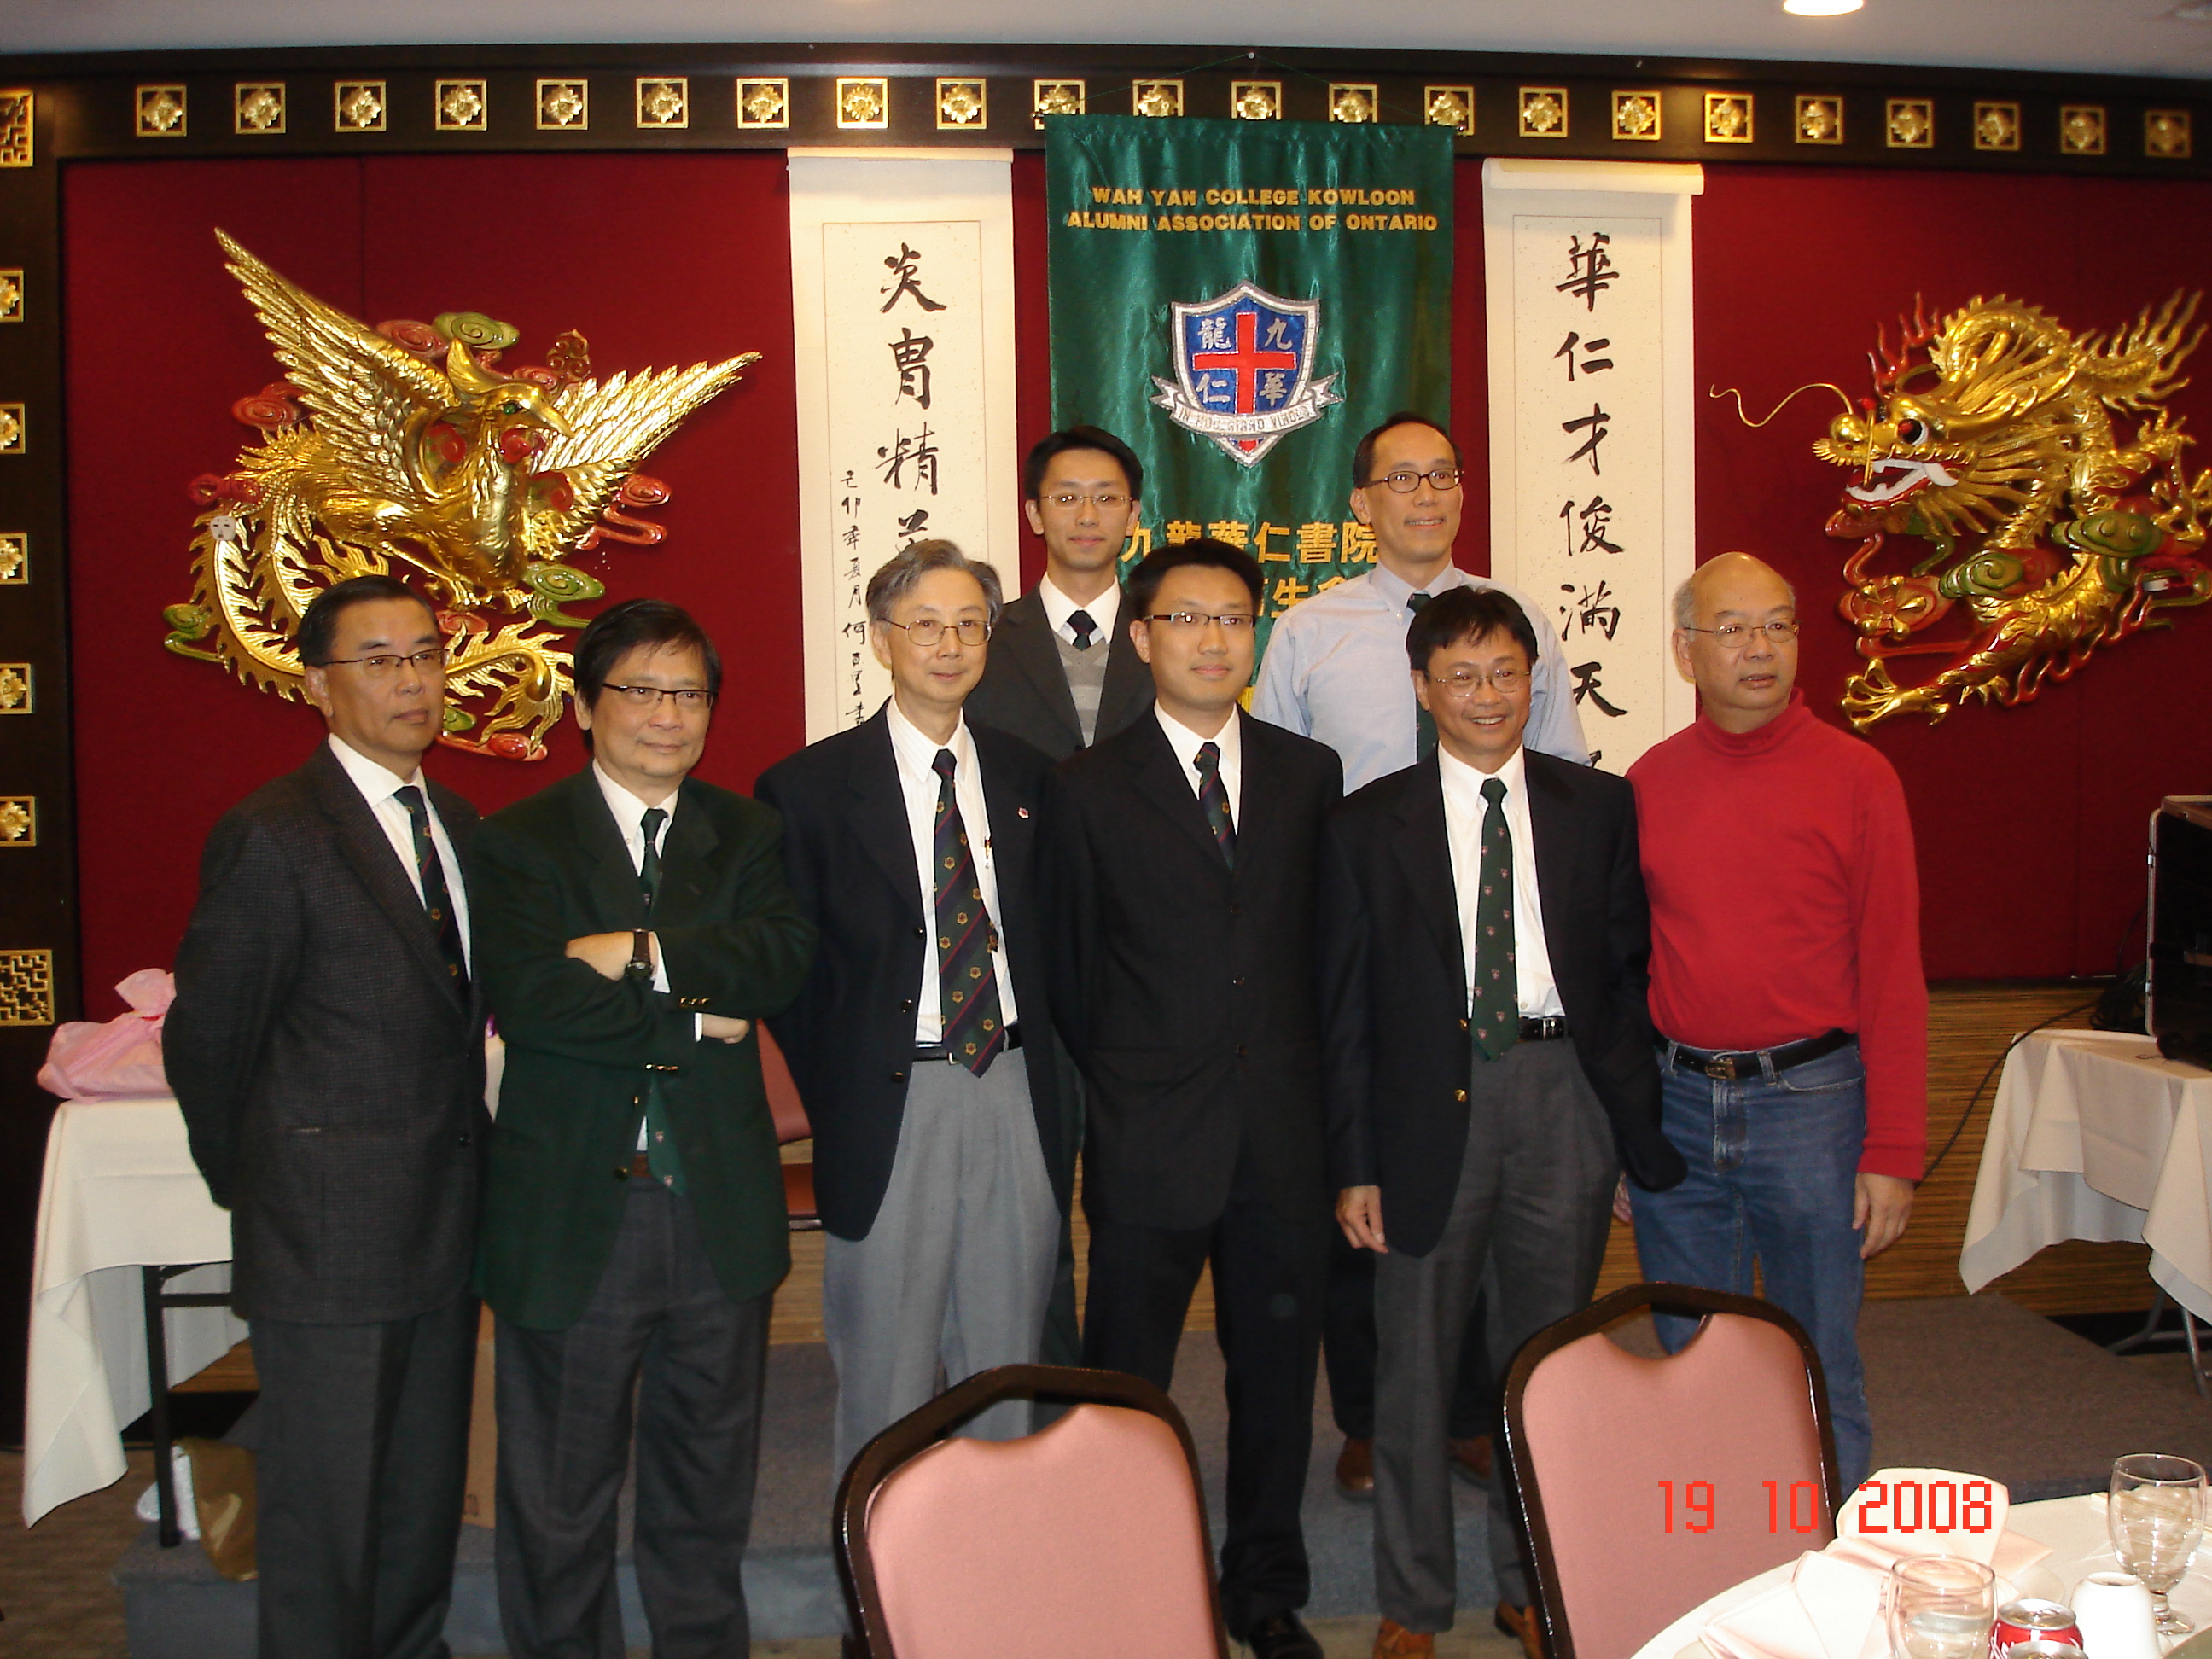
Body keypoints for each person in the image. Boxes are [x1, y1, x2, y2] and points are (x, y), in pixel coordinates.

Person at [1322, 585, 1686, 1659]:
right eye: (1462, 676)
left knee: (1548, 1360)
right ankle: (1414, 1600)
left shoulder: (1597, 806)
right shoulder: (1364, 824)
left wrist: (1627, 1128)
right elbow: (1343, 1011)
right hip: (1421, 1110)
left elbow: (1626, 977)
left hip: (1562, 1094)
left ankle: (1532, 1585)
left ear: (1535, 680)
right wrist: (1354, 1163)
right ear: (1423, 687)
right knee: (1414, 1366)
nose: (1487, 696)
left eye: (1506, 674)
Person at [468, 598, 817, 1659]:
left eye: (689, 693)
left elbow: (779, 964)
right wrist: (698, 1012)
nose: (668, 715)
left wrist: (636, 952)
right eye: (641, 690)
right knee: (559, 1497)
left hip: (717, 1208)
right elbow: (533, 1001)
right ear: (584, 706)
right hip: (580, 1206)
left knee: (706, 1487)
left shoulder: (748, 832)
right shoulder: (517, 841)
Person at [1254, 412, 1591, 1502]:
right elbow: (1281, 793)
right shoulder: (1308, 631)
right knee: (1374, 1207)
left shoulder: (1515, 622)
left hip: (1497, 956)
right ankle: (1371, 1418)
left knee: (1498, 1227)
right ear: (1360, 504)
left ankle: (1476, 1417)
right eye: (1400, 479)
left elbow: (1564, 782)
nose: (1426, 494)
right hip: (1370, 958)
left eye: (1442, 475)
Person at [167, 573, 486, 1659]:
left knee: (417, 1504)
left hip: (444, 1229)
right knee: (324, 1520)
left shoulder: (453, 822)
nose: (412, 681)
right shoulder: (274, 833)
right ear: (317, 686)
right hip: (326, 1240)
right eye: (380, 661)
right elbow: (209, 1043)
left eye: (426, 655)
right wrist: (268, 1186)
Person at [1043, 538, 1343, 1659]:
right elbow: (1072, 971)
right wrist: (1137, 1082)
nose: (1213, 639)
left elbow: (1325, 958)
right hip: (1150, 1138)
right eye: (1186, 618)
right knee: (1126, 1379)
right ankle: (1123, 1587)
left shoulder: (1309, 775)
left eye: (1233, 618)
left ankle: (1264, 1590)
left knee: (1277, 1383)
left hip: (1284, 1141)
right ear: (1141, 637)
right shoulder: (1084, 787)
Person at [757, 540, 1065, 1481]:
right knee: (886, 1369)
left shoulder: (1031, 778)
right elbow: (790, 976)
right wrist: (847, 1083)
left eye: (970, 625)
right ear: (881, 639)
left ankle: (993, 1554)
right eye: (926, 625)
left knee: (1007, 1362)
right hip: (891, 1098)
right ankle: (879, 1559)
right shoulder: (808, 789)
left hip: (1013, 1084)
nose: (950, 645)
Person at [1625, 551, 1925, 1494]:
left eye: (1779, 625)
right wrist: (1624, 1130)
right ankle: (1712, 1556)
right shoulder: (1649, 782)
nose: (1760, 648)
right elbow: (1623, 973)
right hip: (1676, 1103)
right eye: (1733, 629)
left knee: (1817, 1356)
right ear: (1686, 651)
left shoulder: (1860, 777)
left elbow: (1894, 970)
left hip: (1814, 1107)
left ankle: (1829, 1557)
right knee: (1692, 1356)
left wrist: (1894, 1150)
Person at [964, 424, 1155, 1371]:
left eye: (1107, 496)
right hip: (1020, 962)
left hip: (1145, 966)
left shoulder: (1174, 633)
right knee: (1033, 1192)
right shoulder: (979, 639)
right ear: (1035, 513)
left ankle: (1121, 1395)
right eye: (1067, 496)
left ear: (1134, 513)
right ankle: (1040, 1386)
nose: (1087, 514)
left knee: (1135, 1195)